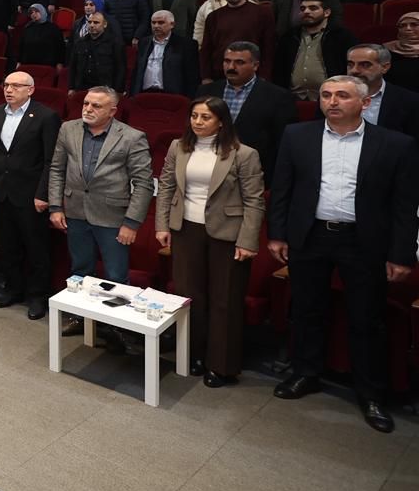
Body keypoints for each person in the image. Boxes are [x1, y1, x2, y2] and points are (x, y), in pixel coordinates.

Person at [269, 76, 417, 433]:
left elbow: (404, 205)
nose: (332, 101)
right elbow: (282, 189)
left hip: (363, 240)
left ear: (364, 103)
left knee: (366, 318)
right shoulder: (297, 135)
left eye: (342, 95)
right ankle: (306, 373)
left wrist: (401, 254)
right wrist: (277, 235)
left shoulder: (395, 144)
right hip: (311, 235)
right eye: (326, 95)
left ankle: (370, 393)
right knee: (307, 310)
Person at [154, 97, 265, 386]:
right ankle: (194, 355)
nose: (198, 122)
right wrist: (162, 225)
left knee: (224, 299)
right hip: (185, 229)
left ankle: (221, 365)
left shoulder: (244, 154)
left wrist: (248, 240)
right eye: (194, 116)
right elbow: (166, 187)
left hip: (227, 233)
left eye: (206, 117)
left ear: (221, 122)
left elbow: (254, 201)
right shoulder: (178, 147)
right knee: (190, 295)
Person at [48, 87, 154, 349]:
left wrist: (131, 223)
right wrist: (55, 206)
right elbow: (57, 169)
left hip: (113, 218)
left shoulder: (132, 137)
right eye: (86, 103)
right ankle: (81, 319)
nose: (88, 109)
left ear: (112, 111)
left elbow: (143, 184)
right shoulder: (68, 129)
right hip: (75, 212)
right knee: (80, 270)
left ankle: (117, 329)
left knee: (116, 276)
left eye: (96, 106)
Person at [0, 71, 61, 319]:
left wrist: (44, 193)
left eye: (16, 86)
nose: (9, 90)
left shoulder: (46, 116)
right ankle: (13, 289)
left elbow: (51, 160)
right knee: (7, 245)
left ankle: (38, 296)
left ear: (31, 90)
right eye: (6, 85)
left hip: (31, 195)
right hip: (2, 191)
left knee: (36, 248)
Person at [196, 42, 293, 187]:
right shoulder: (206, 91)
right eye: (227, 61)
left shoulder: (278, 97)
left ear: (255, 65)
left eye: (239, 62)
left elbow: (282, 143)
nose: (231, 67)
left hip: (253, 173)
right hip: (207, 167)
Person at [275, 0, 357, 100]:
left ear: (326, 13)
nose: (306, 11)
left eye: (313, 8)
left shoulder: (342, 36)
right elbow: (279, 70)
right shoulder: (289, 37)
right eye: (302, 9)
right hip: (292, 98)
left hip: (331, 98)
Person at [199, 0, 275, 80]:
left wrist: (264, 76)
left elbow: (268, 47)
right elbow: (206, 49)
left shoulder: (262, 13)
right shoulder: (213, 16)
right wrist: (206, 77)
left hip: (252, 73)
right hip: (220, 74)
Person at [347, 44, 419, 141]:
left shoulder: (409, 101)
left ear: (385, 67)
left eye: (365, 65)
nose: (354, 70)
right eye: (350, 64)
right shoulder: (332, 96)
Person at [130, 11, 200, 96]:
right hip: (144, 93)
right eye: (153, 23)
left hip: (172, 95)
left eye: (161, 23)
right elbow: (137, 71)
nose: (156, 26)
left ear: (172, 24)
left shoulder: (186, 45)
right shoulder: (143, 43)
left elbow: (192, 76)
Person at [68, 11, 124, 92]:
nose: (92, 25)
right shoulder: (80, 42)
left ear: (105, 24)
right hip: (81, 87)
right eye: (89, 22)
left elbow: (120, 68)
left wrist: (117, 90)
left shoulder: (115, 43)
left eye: (96, 22)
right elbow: (73, 66)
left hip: (105, 89)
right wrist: (71, 87)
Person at [11, 3, 67, 75]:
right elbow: (21, 46)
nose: (33, 14)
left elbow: (60, 47)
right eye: (31, 12)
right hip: (29, 64)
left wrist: (60, 63)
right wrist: (19, 61)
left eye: (36, 11)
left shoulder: (53, 28)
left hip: (47, 65)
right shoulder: (27, 28)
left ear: (42, 11)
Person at [385, 12, 419, 91]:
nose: (408, 28)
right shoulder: (387, 49)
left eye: (414, 24)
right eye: (402, 26)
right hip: (394, 92)